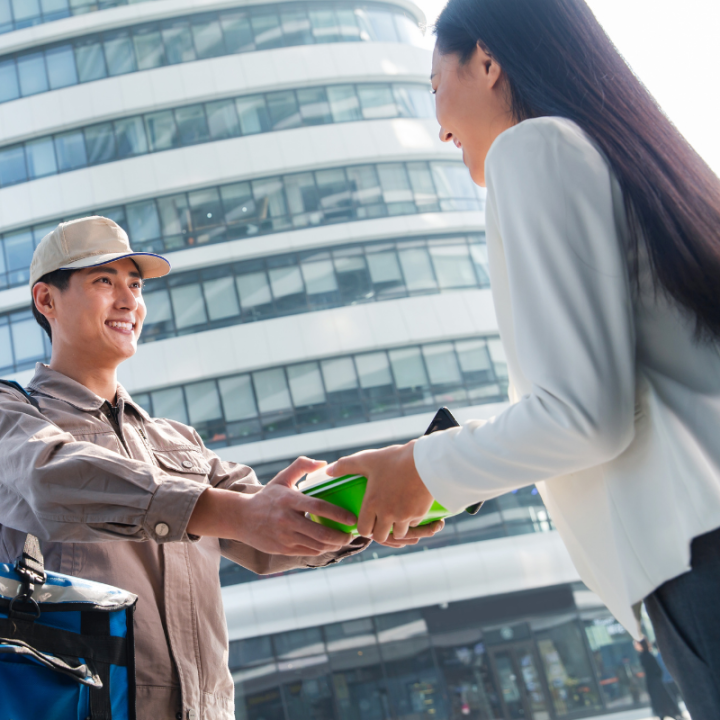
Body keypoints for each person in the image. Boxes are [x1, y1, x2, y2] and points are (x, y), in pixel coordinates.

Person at [326, 0, 720, 717]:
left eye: (435, 86)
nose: (441, 126)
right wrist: (438, 472)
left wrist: (417, 470)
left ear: (486, 60)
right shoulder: (626, 155)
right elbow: (614, 395)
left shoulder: (533, 148)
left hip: (703, 563)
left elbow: (582, 416)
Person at [0, 216, 442, 720]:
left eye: (136, 285)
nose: (128, 301)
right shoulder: (12, 418)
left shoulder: (178, 442)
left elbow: (270, 526)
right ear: (46, 300)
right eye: (104, 281)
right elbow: (48, 478)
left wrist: (388, 496)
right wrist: (234, 513)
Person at [634, 639, 682, 720]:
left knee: (660, 699)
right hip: (657, 681)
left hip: (654, 681)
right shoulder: (649, 655)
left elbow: (657, 669)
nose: (635, 646)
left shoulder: (645, 656)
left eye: (636, 644)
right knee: (664, 699)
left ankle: (666, 714)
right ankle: (670, 714)